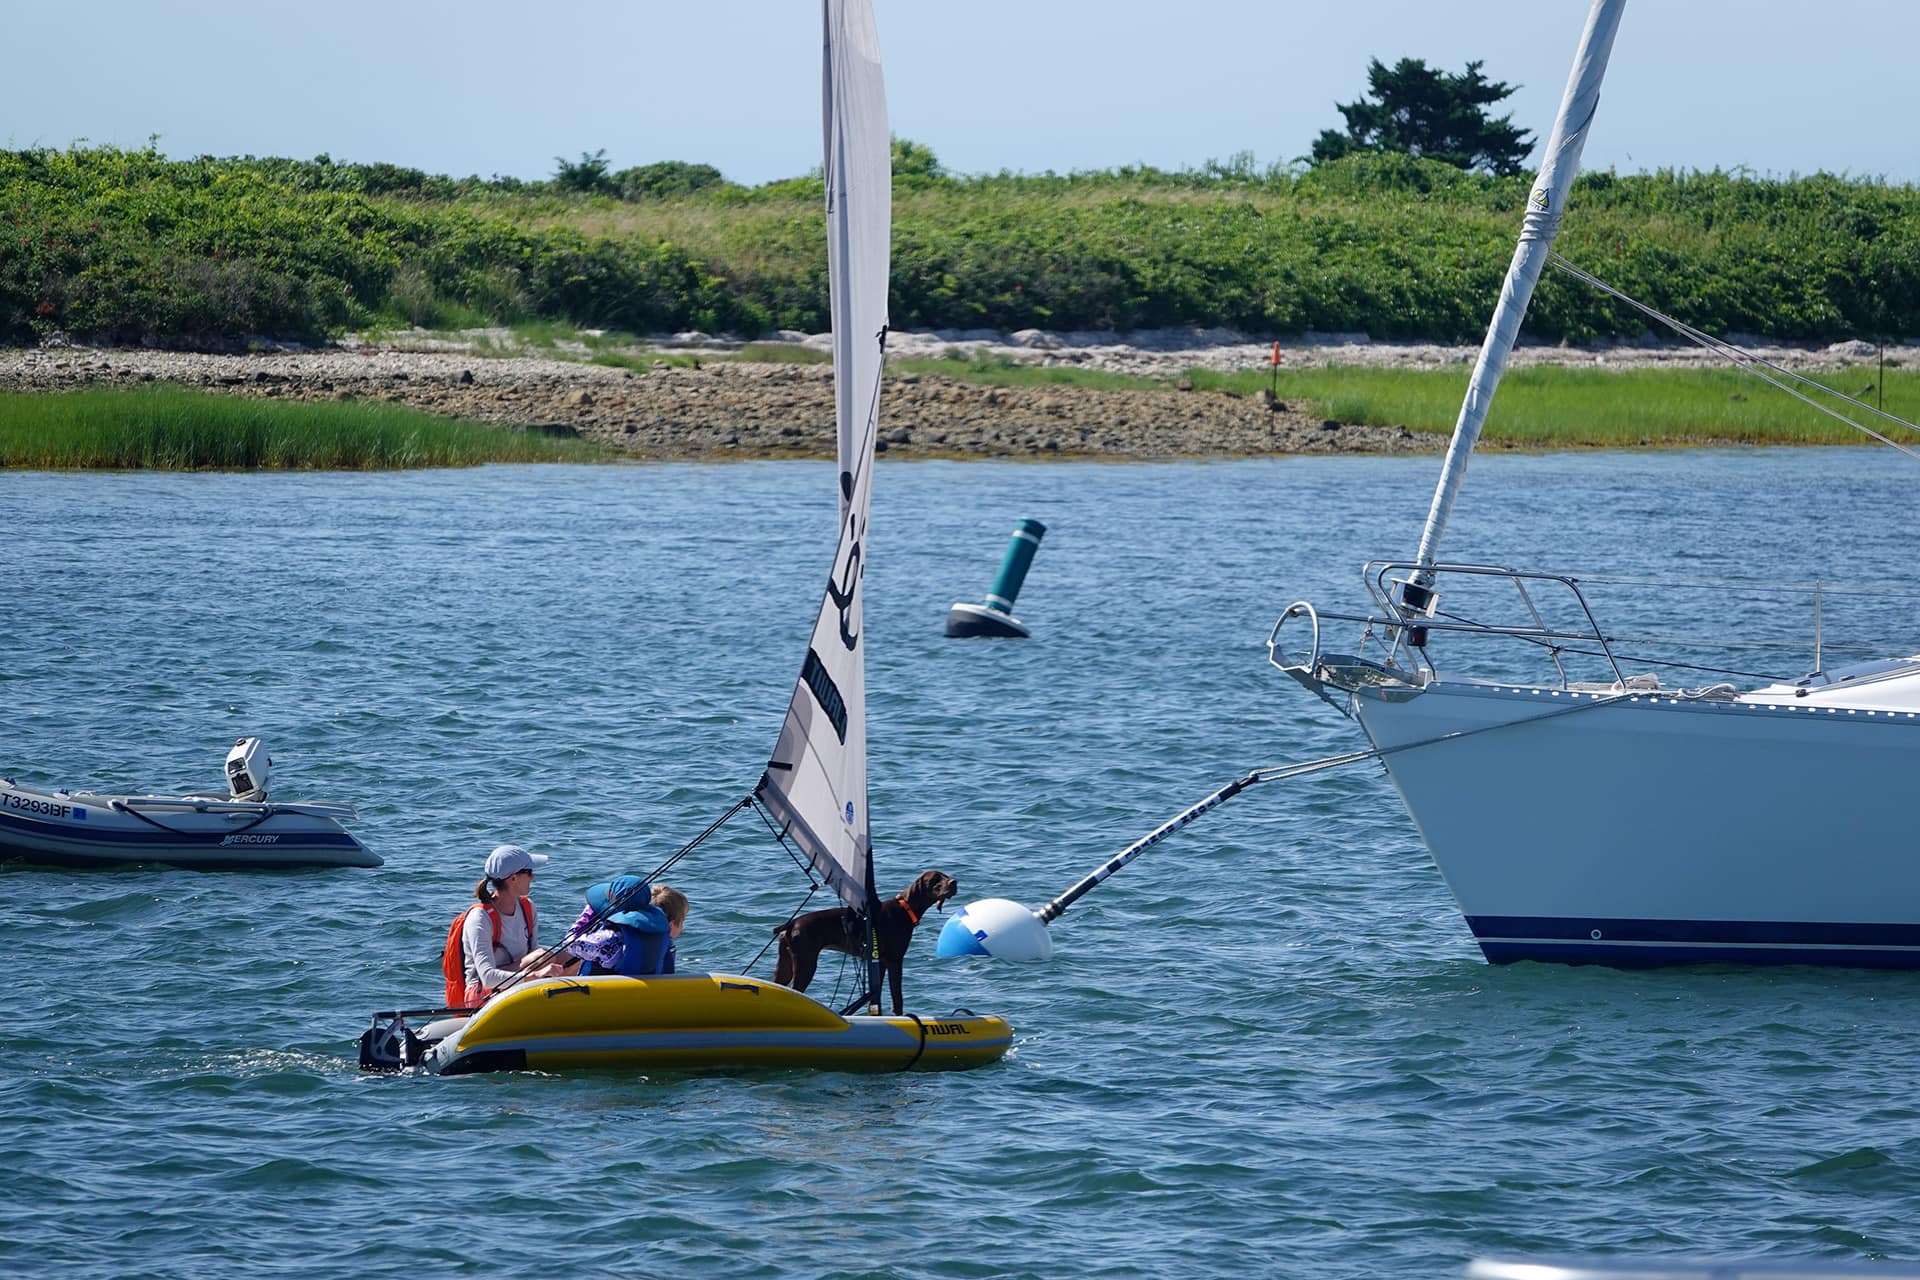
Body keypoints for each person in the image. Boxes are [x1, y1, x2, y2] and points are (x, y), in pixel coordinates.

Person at [457, 843, 572, 1005]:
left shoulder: (528, 907)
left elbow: (533, 953)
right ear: (513, 879)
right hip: (481, 994)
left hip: (518, 982)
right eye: (529, 872)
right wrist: (536, 976)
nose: (533, 877)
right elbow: (488, 978)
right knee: (541, 957)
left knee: (573, 955)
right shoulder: (480, 917)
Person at [564, 875, 687, 977]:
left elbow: (569, 944)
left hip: (605, 997)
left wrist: (589, 913)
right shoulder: (661, 936)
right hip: (643, 997)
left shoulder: (609, 940)